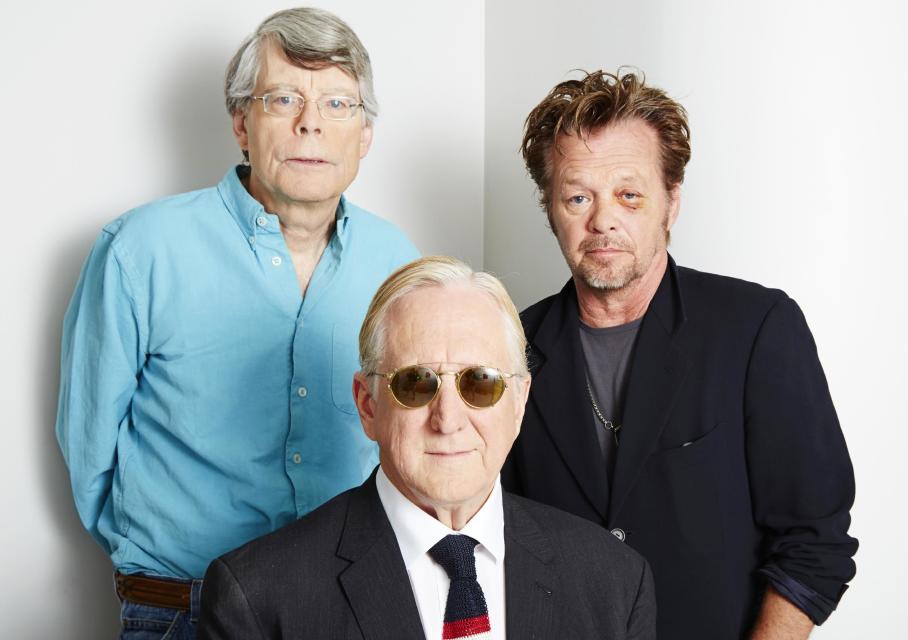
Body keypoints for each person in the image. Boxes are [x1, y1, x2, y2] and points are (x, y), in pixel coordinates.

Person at [55, 8, 418, 638]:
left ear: (365, 135)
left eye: (338, 103)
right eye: (284, 98)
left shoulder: (399, 264)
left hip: (349, 613)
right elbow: (89, 452)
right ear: (241, 124)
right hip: (181, 610)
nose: (312, 122)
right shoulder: (139, 250)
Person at [501, 70, 857, 640]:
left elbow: (816, 542)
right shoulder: (508, 347)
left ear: (671, 203)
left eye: (629, 194)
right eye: (577, 196)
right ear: (550, 208)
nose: (603, 219)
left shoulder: (757, 328)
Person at [197, 256, 656, 640]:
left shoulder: (614, 582)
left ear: (519, 403)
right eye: (416, 383)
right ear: (367, 405)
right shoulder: (258, 598)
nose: (448, 419)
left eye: (481, 382)